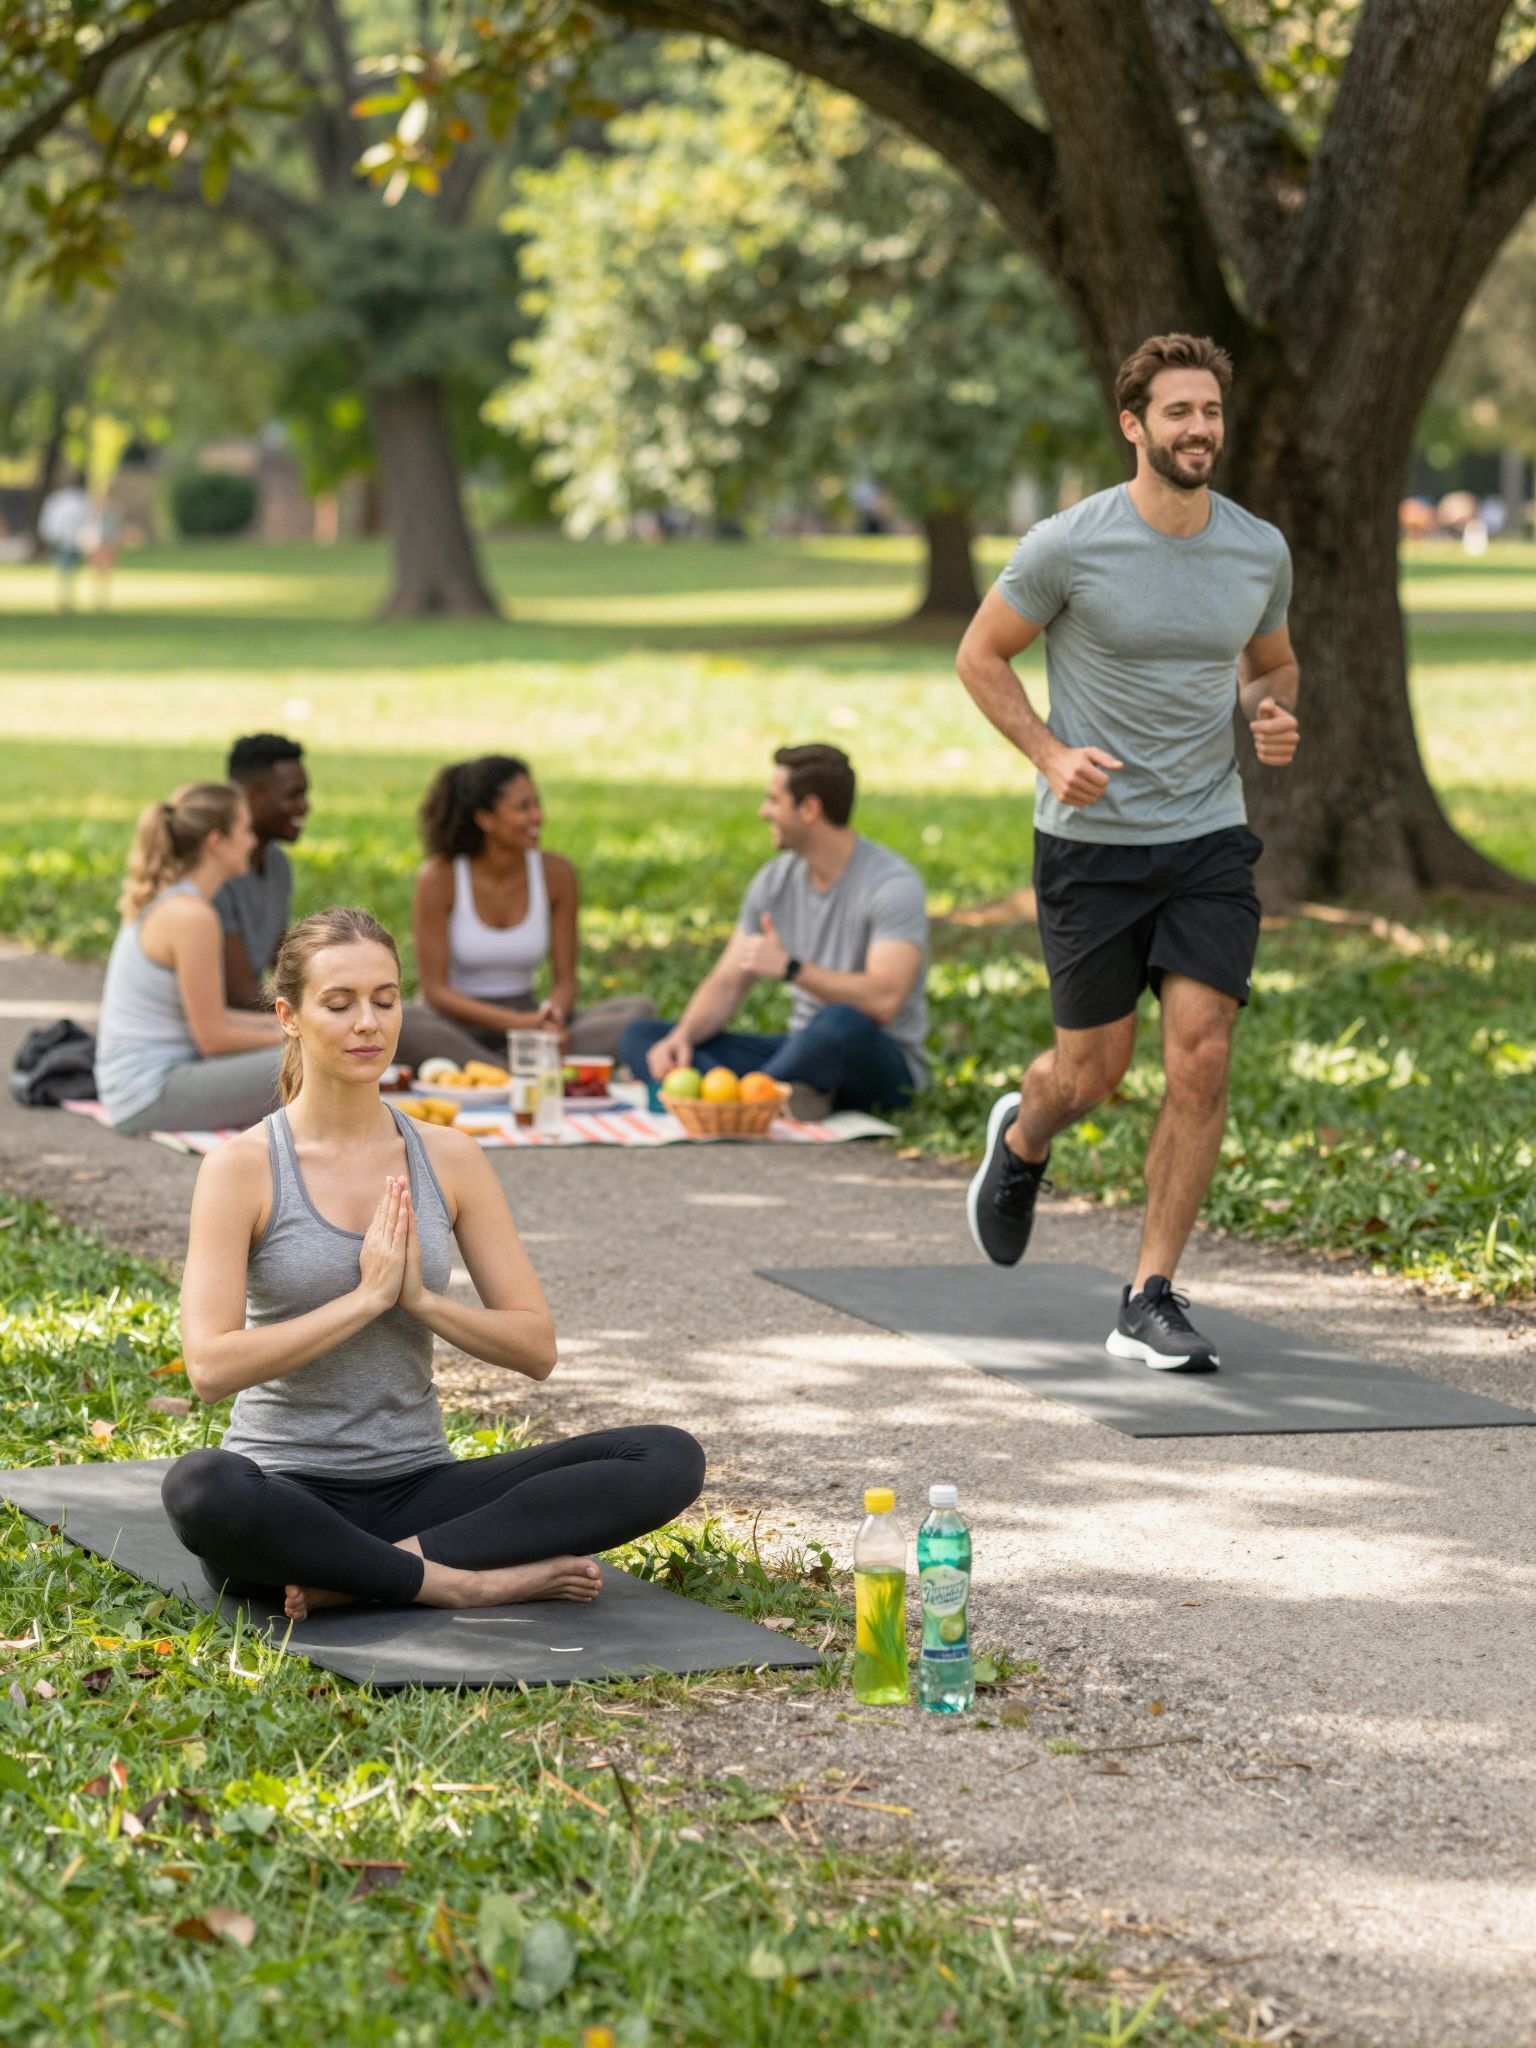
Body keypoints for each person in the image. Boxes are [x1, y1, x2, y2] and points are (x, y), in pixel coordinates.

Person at [163, 906, 703, 1618]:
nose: (368, 1023)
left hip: (420, 1488)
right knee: (201, 1488)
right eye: (340, 1004)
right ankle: (462, 1582)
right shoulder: (242, 1167)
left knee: (666, 1456)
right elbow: (209, 1368)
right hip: (286, 1495)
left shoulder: (450, 1158)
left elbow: (536, 1348)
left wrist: (421, 1300)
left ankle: (369, 1574)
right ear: (289, 1016)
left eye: (385, 1000)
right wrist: (364, 1299)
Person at [955, 333, 1300, 1374]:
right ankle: (1024, 1136)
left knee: (1202, 1053)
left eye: (1210, 411)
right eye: (1178, 411)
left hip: (1207, 837)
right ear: (1133, 425)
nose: (1199, 428)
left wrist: (1270, 710)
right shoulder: (1068, 544)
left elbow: (1269, 662)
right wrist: (1049, 752)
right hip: (1092, 849)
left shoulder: (1257, 549)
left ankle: (1149, 1295)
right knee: (1091, 1074)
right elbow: (980, 655)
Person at [619, 744, 929, 1117]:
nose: (763, 812)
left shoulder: (892, 885)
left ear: (809, 808)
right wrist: (681, 1037)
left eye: (773, 800)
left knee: (839, 1023)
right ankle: (783, 1094)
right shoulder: (774, 881)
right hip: (799, 1050)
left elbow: (884, 1001)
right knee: (642, 1038)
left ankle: (748, 1101)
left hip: (874, 1060)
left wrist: (790, 968)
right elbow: (727, 983)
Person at [217, 733, 493, 1071]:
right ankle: (507, 1076)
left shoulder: (276, 865)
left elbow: (285, 963)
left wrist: (342, 994)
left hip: (270, 1021)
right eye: (293, 795)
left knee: (406, 1015)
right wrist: (329, 1009)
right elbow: (243, 995)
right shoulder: (220, 881)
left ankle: (499, 1074)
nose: (305, 806)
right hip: (235, 1036)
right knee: (387, 1028)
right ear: (250, 797)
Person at [412, 755, 655, 1062]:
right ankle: (516, 1068)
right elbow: (435, 991)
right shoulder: (439, 877)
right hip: (456, 1025)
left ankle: (493, 1069)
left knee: (638, 1012)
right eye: (522, 807)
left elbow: (565, 981)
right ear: (485, 818)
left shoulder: (557, 874)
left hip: (531, 1018)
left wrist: (550, 1019)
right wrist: (518, 1024)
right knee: (402, 1023)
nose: (537, 816)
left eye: (537, 804)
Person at [95, 784, 286, 1133]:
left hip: (146, 1085)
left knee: (316, 1051)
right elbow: (213, 1038)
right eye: (245, 829)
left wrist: (289, 1025)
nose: (253, 840)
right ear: (216, 841)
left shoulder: (178, 903)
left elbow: (216, 1020)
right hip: (150, 1094)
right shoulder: (191, 916)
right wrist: (301, 1037)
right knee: (316, 1062)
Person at [36, 472, 95, 612]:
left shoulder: (57, 499)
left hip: (63, 540)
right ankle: (68, 597)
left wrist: (50, 536)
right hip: (74, 540)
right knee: (70, 570)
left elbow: (50, 521)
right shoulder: (83, 500)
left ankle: (65, 598)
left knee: (64, 570)